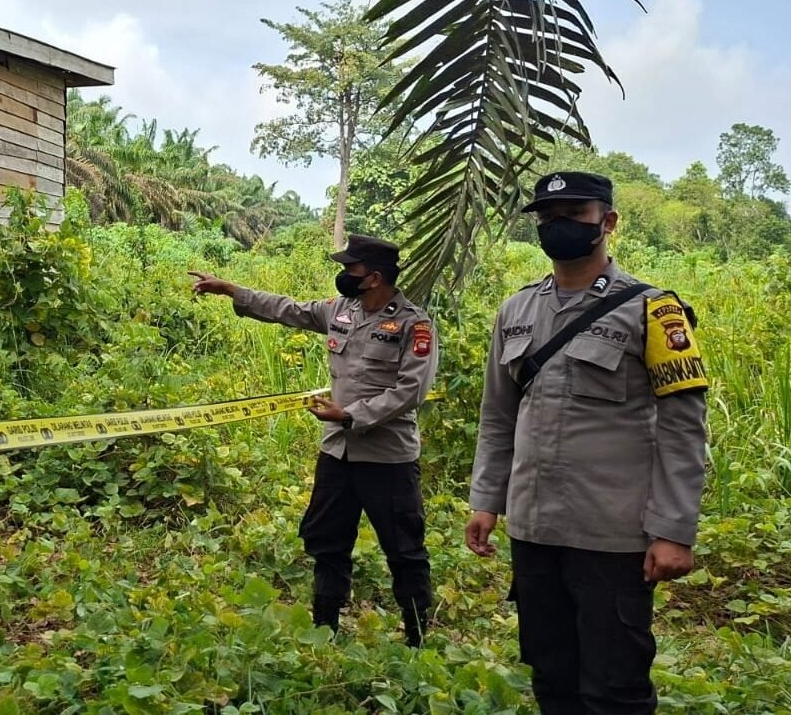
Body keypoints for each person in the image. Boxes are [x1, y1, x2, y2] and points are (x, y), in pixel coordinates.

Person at [465, 171, 710, 714]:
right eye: (549, 218)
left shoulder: (654, 310)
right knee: (551, 675)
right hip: (534, 529)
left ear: (608, 221)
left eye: (575, 215)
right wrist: (487, 499)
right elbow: (498, 414)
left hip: (611, 535)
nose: (560, 227)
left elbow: (683, 427)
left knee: (614, 689)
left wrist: (673, 531)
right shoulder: (516, 310)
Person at [190, 235, 439, 645]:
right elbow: (289, 309)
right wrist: (231, 289)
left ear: (374, 277)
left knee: (404, 549)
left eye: (351, 269)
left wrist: (351, 415)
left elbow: (411, 390)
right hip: (337, 453)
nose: (343, 276)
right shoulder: (342, 309)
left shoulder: (415, 324)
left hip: (387, 458)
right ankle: (325, 628)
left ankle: (416, 637)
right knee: (327, 541)